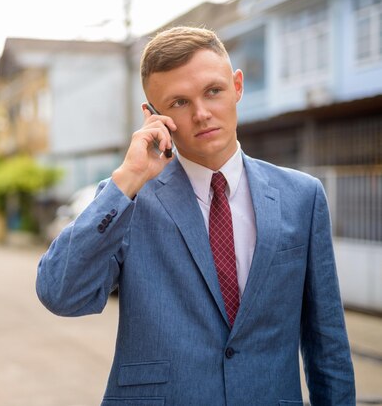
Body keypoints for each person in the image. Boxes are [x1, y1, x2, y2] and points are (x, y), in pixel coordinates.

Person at [36, 26, 355, 405]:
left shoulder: (303, 197)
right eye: (179, 103)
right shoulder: (130, 199)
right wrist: (127, 180)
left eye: (213, 91)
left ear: (237, 86)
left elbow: (328, 345)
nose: (202, 114)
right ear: (152, 116)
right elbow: (60, 294)